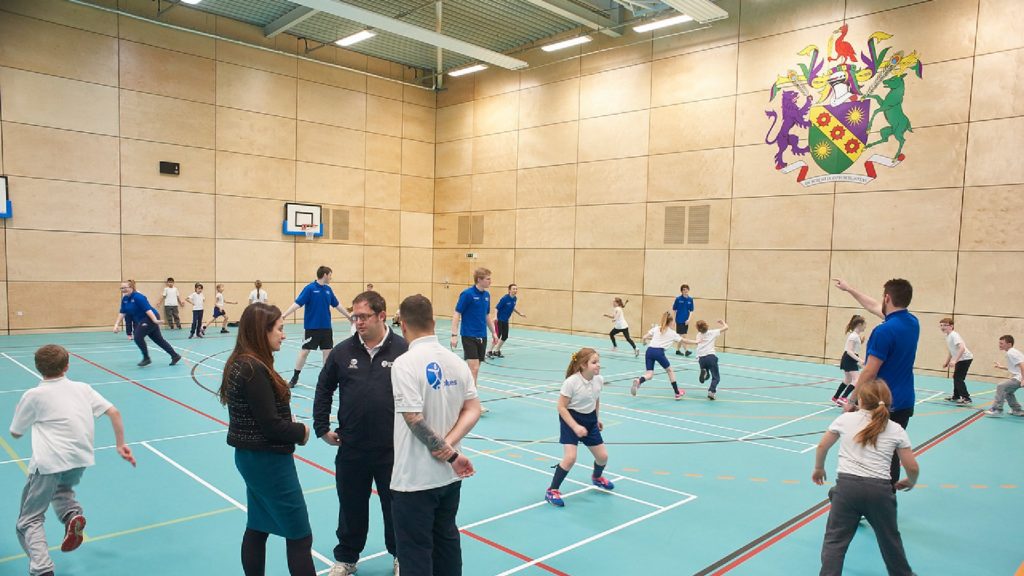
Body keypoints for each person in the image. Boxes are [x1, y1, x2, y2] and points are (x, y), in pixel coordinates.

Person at [10, 344, 136, 576]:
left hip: (48, 463)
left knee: (28, 521)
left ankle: (42, 569)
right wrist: (121, 445)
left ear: (38, 369)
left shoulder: (34, 395)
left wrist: (20, 410)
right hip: (80, 459)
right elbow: (114, 412)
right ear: (67, 366)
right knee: (61, 490)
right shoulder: (83, 388)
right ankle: (71, 515)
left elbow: (16, 432)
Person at [313, 291, 408, 576]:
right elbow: (324, 388)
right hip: (352, 446)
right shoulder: (343, 352)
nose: (358, 322)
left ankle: (400, 556)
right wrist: (321, 428)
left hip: (392, 449)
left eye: (364, 316)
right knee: (351, 506)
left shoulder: (403, 350)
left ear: (382, 315)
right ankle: (346, 558)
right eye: (355, 317)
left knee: (396, 508)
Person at [218, 303, 314, 576]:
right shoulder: (252, 369)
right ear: (263, 331)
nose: (283, 335)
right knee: (299, 535)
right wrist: (301, 432)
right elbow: (271, 426)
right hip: (267, 462)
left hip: (252, 459)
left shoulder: (243, 362)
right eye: (280, 329)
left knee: (259, 526)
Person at [391, 294, 481, 576]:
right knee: (446, 546)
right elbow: (473, 409)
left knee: (415, 554)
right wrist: (451, 447)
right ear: (433, 322)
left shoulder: (405, 363)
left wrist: (447, 451)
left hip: (415, 480)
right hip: (449, 478)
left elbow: (413, 419)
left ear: (403, 326)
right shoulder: (457, 362)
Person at [812, 378, 919, 576]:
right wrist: (911, 481)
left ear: (860, 400)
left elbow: (822, 446)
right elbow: (911, 466)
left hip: (846, 490)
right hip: (880, 493)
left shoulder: (844, 420)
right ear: (887, 401)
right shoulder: (896, 429)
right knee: (890, 540)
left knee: (834, 542)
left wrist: (819, 468)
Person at [832, 278, 919, 486]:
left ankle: (863, 500)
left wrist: (851, 401)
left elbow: (870, 370)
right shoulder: (912, 322)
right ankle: (887, 499)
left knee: (868, 454)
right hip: (905, 401)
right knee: (892, 453)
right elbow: (872, 306)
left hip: (879, 402)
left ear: (887, 298)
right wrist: (850, 289)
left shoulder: (883, 331)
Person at [545, 347, 615, 507]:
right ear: (583, 365)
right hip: (571, 419)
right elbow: (561, 407)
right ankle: (552, 490)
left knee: (603, 457)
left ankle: (597, 478)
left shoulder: (599, 380)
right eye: (594, 362)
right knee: (570, 458)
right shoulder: (571, 382)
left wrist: (596, 419)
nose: (598, 365)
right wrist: (575, 427)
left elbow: (595, 399)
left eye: (599, 362)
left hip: (590, 419)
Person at [282, 266, 353, 388]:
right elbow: (297, 303)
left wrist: (348, 316)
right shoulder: (310, 289)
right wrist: (284, 315)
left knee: (327, 353)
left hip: (326, 328)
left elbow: (337, 304)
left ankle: (326, 379)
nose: (331, 277)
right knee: (304, 352)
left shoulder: (328, 290)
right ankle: (295, 378)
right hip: (311, 328)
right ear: (325, 275)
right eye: (330, 275)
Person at [449, 268, 498, 412]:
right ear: (479, 280)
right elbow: (457, 313)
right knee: (474, 369)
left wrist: (493, 333)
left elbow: (486, 316)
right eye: (488, 279)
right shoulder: (467, 294)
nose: (490, 281)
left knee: (475, 369)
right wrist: (454, 334)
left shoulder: (487, 295)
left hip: (482, 336)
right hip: (468, 335)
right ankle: (472, 403)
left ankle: (464, 398)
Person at [115, 280, 181, 367]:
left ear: (131, 288)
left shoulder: (138, 297)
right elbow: (122, 312)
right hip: (144, 320)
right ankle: (175, 355)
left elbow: (148, 309)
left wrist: (154, 320)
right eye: (121, 288)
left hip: (150, 317)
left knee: (138, 336)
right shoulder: (125, 299)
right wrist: (116, 324)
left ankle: (146, 358)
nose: (123, 289)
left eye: (124, 288)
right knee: (158, 339)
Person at [631, 311, 684, 400]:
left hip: (649, 351)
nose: (674, 323)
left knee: (649, 374)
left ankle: (639, 380)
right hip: (658, 352)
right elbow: (683, 340)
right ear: (670, 322)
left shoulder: (656, 328)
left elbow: (644, 337)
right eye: (673, 321)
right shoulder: (672, 333)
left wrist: (644, 343)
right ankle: (677, 393)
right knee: (670, 371)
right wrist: (696, 342)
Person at [682, 320, 729, 400]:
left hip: (701, 359)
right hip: (710, 357)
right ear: (707, 326)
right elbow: (726, 328)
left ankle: (704, 372)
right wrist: (723, 323)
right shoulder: (713, 332)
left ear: (698, 329)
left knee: (707, 376)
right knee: (716, 377)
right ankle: (711, 392)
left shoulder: (698, 335)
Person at [984, 335, 1024, 417]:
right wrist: (1001, 367)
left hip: (1020, 377)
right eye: (999, 343)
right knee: (1008, 392)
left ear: (1009, 344)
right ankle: (1017, 410)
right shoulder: (1012, 352)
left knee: (1001, 386)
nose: (1000, 345)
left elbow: (1022, 365)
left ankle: (997, 409)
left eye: (1002, 343)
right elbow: (1016, 367)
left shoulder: (1011, 353)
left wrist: (1023, 379)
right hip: (1019, 376)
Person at [832, 315, 866, 406]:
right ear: (859, 324)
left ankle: (835, 397)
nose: (865, 326)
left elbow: (853, 349)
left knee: (848, 379)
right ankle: (843, 398)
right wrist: (860, 360)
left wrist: (860, 342)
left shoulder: (856, 336)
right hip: (849, 359)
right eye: (864, 324)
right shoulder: (853, 336)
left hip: (849, 359)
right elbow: (849, 351)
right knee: (857, 379)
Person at [939, 318, 973, 405]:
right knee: (956, 377)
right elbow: (951, 350)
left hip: (965, 358)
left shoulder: (954, 335)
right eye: (941, 325)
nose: (942, 327)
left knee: (958, 378)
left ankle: (966, 398)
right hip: (960, 359)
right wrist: (947, 362)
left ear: (951, 326)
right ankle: (956, 396)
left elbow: (962, 348)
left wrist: (954, 361)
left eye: (945, 325)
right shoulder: (948, 336)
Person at [488, 284, 526, 359]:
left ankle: (497, 351)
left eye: (516, 289)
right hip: (499, 320)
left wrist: (519, 313)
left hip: (505, 320)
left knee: (505, 336)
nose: (515, 290)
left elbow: (512, 307)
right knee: (497, 336)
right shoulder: (504, 298)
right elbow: (496, 308)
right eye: (514, 289)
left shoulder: (515, 298)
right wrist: (495, 317)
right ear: (509, 290)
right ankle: (489, 351)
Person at [672, 284, 695, 357]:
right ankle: (686, 350)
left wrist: (689, 319)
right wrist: (674, 320)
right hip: (679, 320)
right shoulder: (678, 299)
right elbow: (674, 310)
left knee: (681, 336)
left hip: (686, 321)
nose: (685, 291)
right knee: (683, 336)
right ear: (681, 291)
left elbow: (691, 311)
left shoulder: (690, 299)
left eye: (686, 289)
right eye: (684, 290)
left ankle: (678, 350)